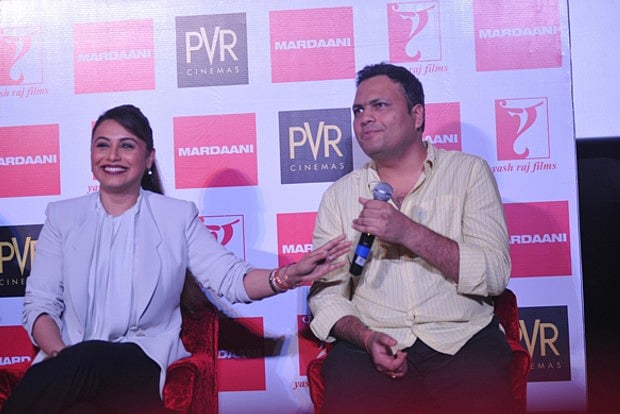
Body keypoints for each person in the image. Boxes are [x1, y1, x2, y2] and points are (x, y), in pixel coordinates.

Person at [1, 104, 350, 414]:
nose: (113, 155)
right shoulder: (62, 216)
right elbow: (39, 305)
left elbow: (231, 279)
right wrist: (63, 357)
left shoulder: (176, 217)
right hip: (69, 359)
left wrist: (288, 275)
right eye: (102, 145)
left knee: (90, 357)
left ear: (148, 158)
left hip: (139, 361)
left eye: (127, 145)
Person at [308, 63, 513, 414]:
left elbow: (495, 274)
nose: (365, 118)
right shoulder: (339, 196)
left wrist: (407, 231)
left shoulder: (469, 173)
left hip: (461, 340)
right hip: (371, 346)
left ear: (417, 115)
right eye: (358, 110)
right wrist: (366, 337)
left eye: (379, 105)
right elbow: (326, 295)